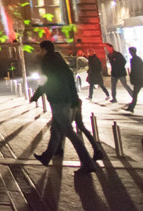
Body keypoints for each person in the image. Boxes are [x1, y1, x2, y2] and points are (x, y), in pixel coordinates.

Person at [29, 40, 98, 175]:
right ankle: (46, 156)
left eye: (40, 50)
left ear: (45, 50)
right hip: (66, 99)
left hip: (58, 100)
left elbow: (45, 83)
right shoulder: (60, 62)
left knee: (69, 132)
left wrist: (36, 96)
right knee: (55, 130)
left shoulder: (48, 63)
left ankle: (88, 163)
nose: (39, 52)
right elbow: (70, 81)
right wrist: (73, 100)